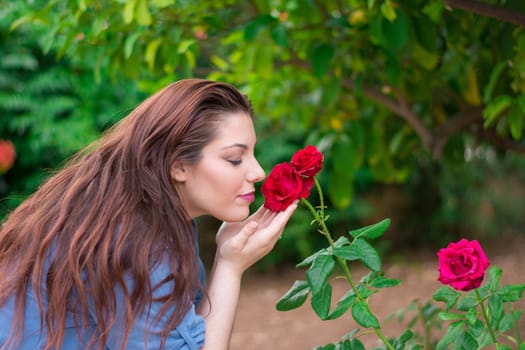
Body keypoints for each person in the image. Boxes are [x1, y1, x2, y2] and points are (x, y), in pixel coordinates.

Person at [0, 79, 298, 350]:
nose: (259, 172)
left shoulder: (140, 217)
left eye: (252, 153)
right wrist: (230, 267)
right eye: (235, 159)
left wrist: (228, 257)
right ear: (178, 166)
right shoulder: (138, 245)